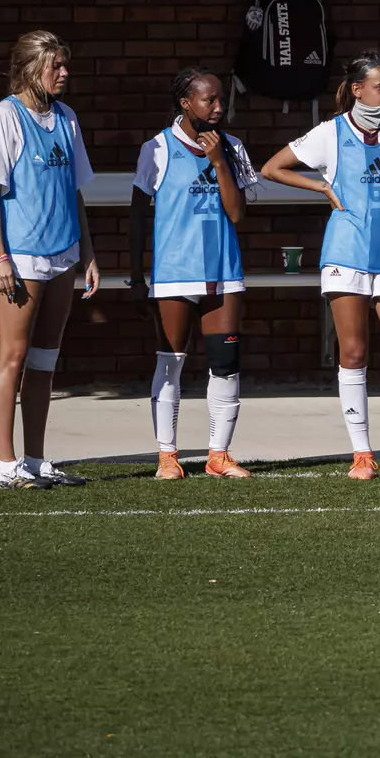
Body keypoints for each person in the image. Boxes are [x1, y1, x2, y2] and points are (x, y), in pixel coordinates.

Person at [260, 51, 380, 481]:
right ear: (357, 89)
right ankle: (362, 454)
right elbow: (272, 168)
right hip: (346, 254)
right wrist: (322, 188)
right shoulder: (331, 132)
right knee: (354, 352)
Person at [0, 30, 98, 489]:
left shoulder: (67, 119)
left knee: (45, 361)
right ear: (32, 68)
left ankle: (34, 459)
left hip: (64, 253)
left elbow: (75, 193)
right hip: (23, 256)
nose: (65, 73)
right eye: (57, 66)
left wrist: (87, 252)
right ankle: (4, 465)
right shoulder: (4, 117)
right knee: (11, 356)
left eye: (65, 65)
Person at [129, 67, 257, 480]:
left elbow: (237, 213)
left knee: (226, 362)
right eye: (210, 100)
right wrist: (135, 276)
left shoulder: (233, 147)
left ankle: (218, 454)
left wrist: (219, 159)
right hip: (174, 274)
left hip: (223, 273)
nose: (219, 108)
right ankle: (167, 456)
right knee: (171, 363)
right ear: (186, 104)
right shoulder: (158, 148)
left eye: (222, 100)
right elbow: (136, 217)